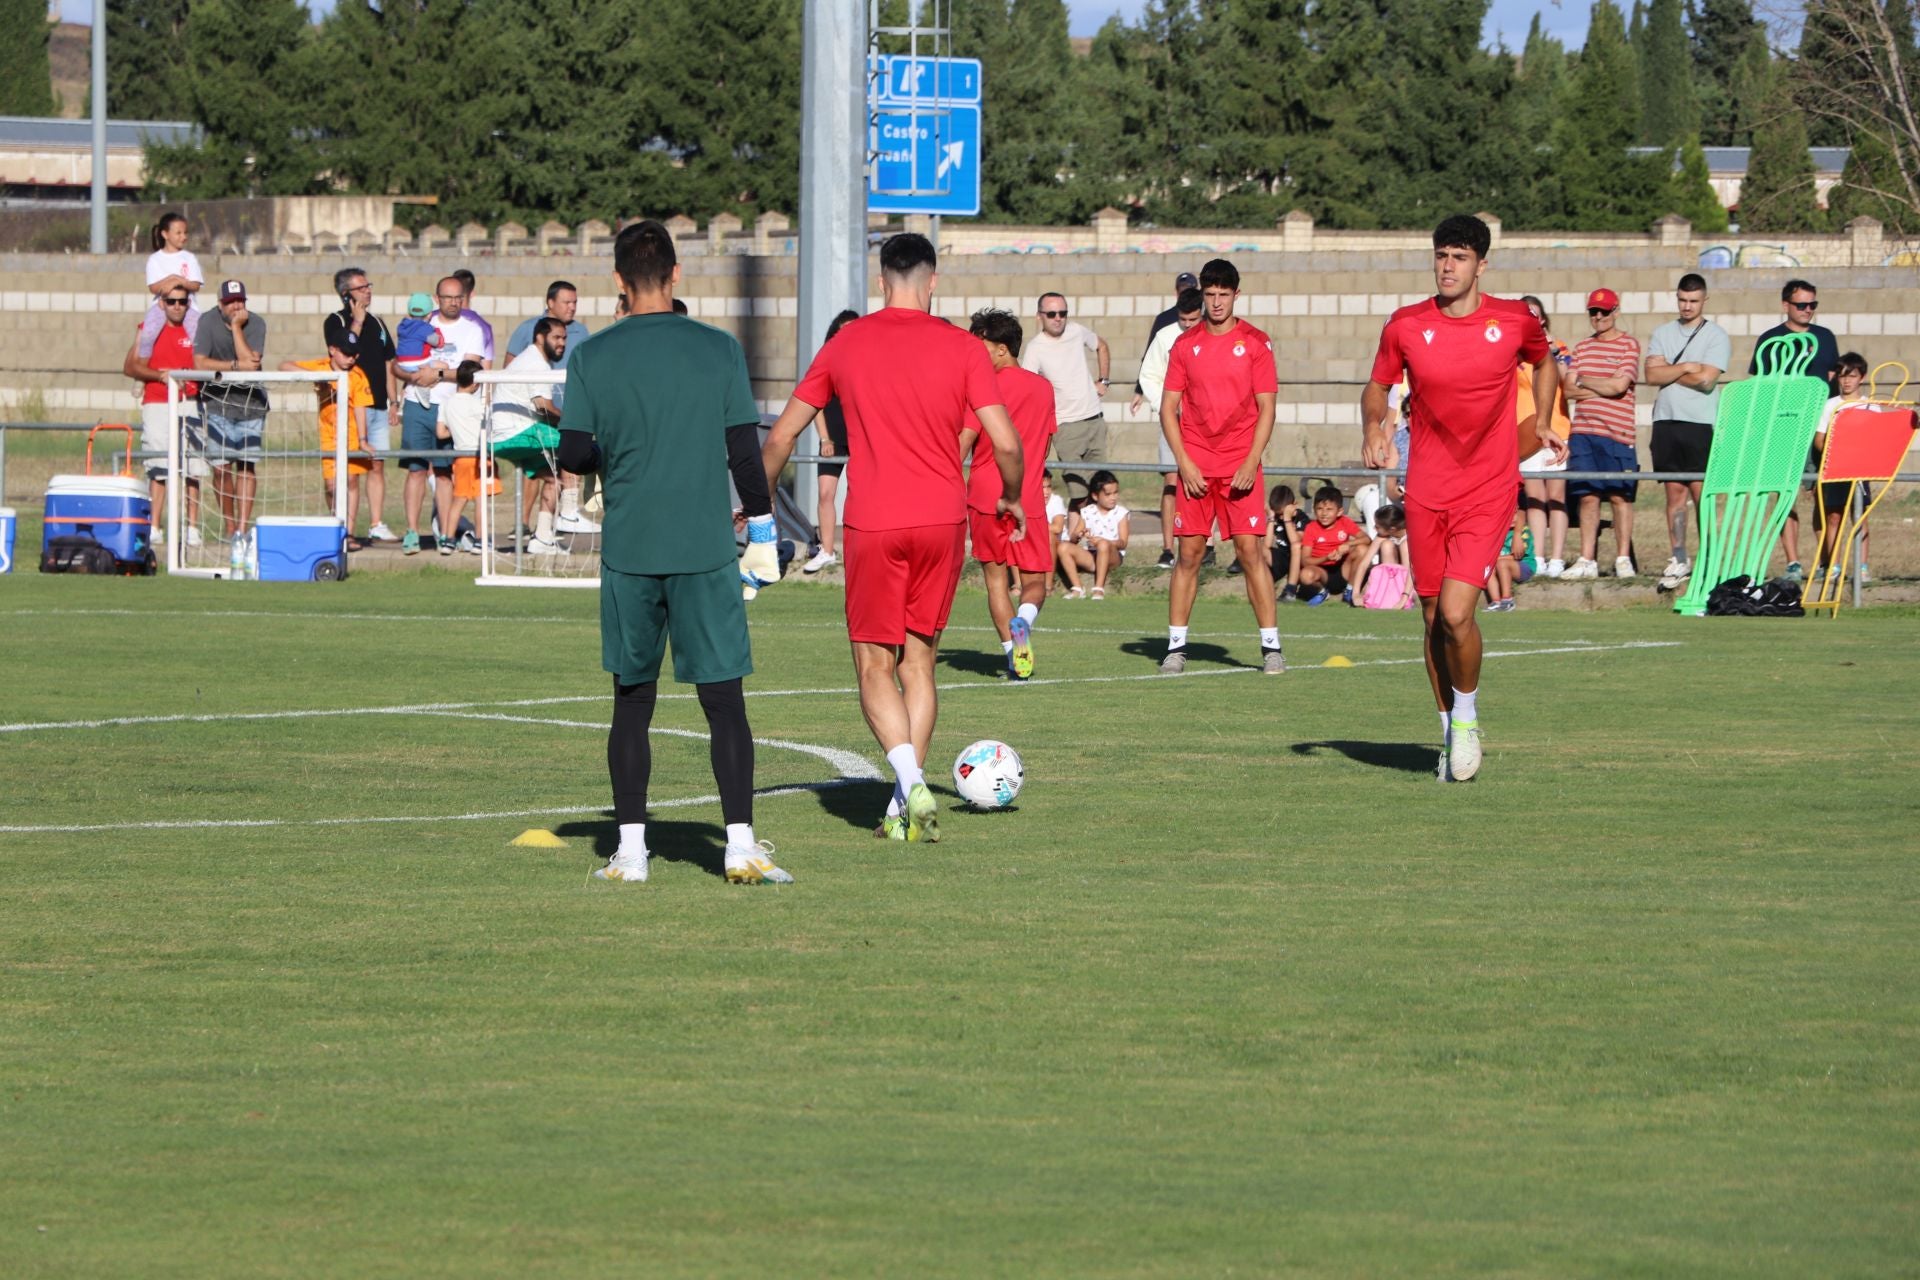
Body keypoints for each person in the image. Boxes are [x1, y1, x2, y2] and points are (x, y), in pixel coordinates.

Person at [761, 232, 1024, 844]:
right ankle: (900, 808)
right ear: (933, 284)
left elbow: (778, 441)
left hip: (874, 521)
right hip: (941, 520)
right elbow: (1006, 442)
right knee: (920, 663)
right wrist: (1009, 494)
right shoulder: (964, 348)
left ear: (882, 282)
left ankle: (909, 783)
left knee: (872, 663)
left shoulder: (846, 343)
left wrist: (756, 510)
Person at [552, 219, 791, 887]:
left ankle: (631, 852)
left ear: (620, 283)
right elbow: (745, 452)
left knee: (632, 702)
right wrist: (765, 534)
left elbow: (573, 453)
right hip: (705, 546)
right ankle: (739, 845)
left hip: (631, 547)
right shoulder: (717, 349)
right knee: (725, 700)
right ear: (677, 275)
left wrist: (608, 455)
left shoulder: (593, 355)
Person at [1362, 213, 1563, 783]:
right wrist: (1374, 426)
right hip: (1425, 489)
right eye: (1441, 255)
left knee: (1456, 613)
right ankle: (1447, 728)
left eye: (1459, 257)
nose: (1447, 266)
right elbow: (1377, 385)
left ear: (1482, 263)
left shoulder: (1514, 320)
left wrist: (1542, 419)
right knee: (1430, 618)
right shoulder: (1405, 324)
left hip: (1487, 487)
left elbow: (1545, 362)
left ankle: (1469, 719)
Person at [1158, 258, 1285, 676]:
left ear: (1236, 295)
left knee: (1250, 553)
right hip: (1196, 465)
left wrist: (1250, 460)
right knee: (1189, 555)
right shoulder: (1184, 345)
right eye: (1209, 294)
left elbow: (1267, 408)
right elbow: (1168, 408)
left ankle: (1271, 648)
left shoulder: (1256, 343)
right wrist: (1184, 463)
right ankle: (1176, 647)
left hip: (1240, 467)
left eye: (1223, 294)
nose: (1215, 302)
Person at [960, 309, 1057, 678]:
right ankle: (1024, 621)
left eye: (979, 345)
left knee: (996, 580)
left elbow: (964, 441)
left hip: (984, 495)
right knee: (1035, 582)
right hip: (1027, 496)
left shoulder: (980, 388)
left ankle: (1014, 656)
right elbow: (1045, 446)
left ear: (1002, 349)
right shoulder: (1043, 388)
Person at [1750, 279, 1841, 582]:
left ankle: (1827, 560)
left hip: (1820, 428)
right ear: (1785, 305)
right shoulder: (1771, 340)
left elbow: (1834, 384)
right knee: (1785, 494)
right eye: (1801, 305)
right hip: (1785, 426)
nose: (1807, 310)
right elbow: (1761, 387)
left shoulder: (1826, 337)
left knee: (1822, 495)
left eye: (1812, 305)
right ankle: (1792, 562)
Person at [1643, 272, 1730, 590]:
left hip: (1700, 424)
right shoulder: (1663, 332)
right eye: (1682, 300)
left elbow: (1707, 380)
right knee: (1674, 495)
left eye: (1693, 300)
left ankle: (1710, 558)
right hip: (1667, 422)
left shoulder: (1716, 336)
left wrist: (1668, 369)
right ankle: (1679, 557)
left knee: (1702, 492)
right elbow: (1651, 376)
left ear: (1704, 300)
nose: (1687, 306)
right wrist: (1684, 367)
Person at [398, 277, 490, 555]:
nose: (452, 302)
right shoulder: (420, 322)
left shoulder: (473, 330)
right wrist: (415, 375)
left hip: (451, 408)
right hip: (417, 403)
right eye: (447, 297)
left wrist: (436, 374)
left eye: (457, 297)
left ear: (464, 298)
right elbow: (398, 364)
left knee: (445, 473)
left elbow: (470, 370)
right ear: (436, 299)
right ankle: (412, 532)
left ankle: (445, 534)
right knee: (415, 471)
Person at [506, 280, 599, 535]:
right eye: (566, 302)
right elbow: (509, 367)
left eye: (575, 302)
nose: (572, 307)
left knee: (562, 463)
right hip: (537, 412)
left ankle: (548, 528)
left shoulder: (581, 332)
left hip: (566, 408)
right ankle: (522, 524)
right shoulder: (529, 329)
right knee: (535, 471)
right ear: (550, 303)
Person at [1562, 287, 1641, 580]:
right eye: (1593, 312)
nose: (1598, 317)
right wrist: (1601, 384)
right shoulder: (1582, 347)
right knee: (1588, 496)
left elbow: (1620, 386)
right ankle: (1587, 559)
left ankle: (1622, 559)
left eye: (1604, 312)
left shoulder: (1628, 345)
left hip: (1616, 433)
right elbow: (1569, 390)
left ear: (1615, 312)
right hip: (1583, 432)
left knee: (1620, 496)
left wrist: (1586, 381)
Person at [191, 279, 269, 572]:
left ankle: (244, 528)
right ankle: (230, 526)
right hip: (216, 404)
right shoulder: (207, 322)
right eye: (231, 302)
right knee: (221, 468)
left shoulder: (257, 324)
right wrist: (234, 367)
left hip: (251, 404)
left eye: (241, 301)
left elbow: (253, 363)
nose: (237, 307)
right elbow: (199, 362)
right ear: (220, 303)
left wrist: (237, 329)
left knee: (246, 466)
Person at [122, 286, 205, 549]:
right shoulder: (149, 329)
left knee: (193, 466)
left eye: (183, 301)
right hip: (158, 400)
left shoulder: (197, 330)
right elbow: (131, 366)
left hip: (190, 401)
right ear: (162, 304)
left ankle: (192, 528)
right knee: (159, 464)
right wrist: (160, 375)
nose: (178, 306)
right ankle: (155, 526)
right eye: (172, 301)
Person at [1131, 287, 1205, 569]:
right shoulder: (1165, 337)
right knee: (1172, 481)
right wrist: (1167, 405)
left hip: (1203, 424)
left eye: (1193, 320)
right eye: (1183, 320)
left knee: (1202, 482)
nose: (1187, 325)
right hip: (1172, 420)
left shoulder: (1211, 335)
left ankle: (1203, 546)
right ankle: (1167, 548)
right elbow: (1148, 375)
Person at [324, 267, 399, 542]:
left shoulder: (378, 323)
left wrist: (394, 401)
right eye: (361, 287)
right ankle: (344, 528)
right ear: (346, 295)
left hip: (378, 405)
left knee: (377, 464)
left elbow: (388, 361)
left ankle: (376, 523)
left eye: (369, 285)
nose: (368, 291)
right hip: (353, 409)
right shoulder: (335, 321)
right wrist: (356, 321)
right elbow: (345, 349)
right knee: (351, 472)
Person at [280, 343, 374, 549]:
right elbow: (284, 366)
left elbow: (360, 408)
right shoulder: (320, 366)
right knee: (332, 486)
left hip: (351, 435)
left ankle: (348, 532)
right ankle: (336, 525)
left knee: (351, 481)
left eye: (354, 354)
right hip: (329, 437)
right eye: (346, 354)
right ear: (333, 350)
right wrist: (316, 378)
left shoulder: (358, 375)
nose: (351, 358)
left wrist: (363, 439)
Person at [493, 317, 569, 554]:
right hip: (514, 433)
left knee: (555, 479)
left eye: (564, 338)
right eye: (556, 337)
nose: (562, 343)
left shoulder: (532, 359)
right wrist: (572, 422)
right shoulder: (536, 363)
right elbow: (543, 407)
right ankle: (571, 511)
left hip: (515, 432)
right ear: (540, 337)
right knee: (576, 441)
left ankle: (542, 538)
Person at [1021, 291, 1111, 477]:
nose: (1058, 319)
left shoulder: (1076, 331)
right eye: (1052, 314)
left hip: (1095, 419)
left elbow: (1101, 346)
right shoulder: (1035, 348)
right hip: (1065, 426)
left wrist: (1103, 380)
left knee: (1099, 488)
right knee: (1079, 491)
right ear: (1039, 316)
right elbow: (1027, 388)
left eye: (1063, 313)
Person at [1516, 295, 1573, 577]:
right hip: (1525, 431)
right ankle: (1538, 555)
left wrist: (1550, 351)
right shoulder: (1514, 350)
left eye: (1535, 314)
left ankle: (1557, 557)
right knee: (1534, 495)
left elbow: (1566, 378)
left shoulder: (1557, 346)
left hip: (1555, 427)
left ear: (1543, 318)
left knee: (1556, 494)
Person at [802, 308, 861, 575]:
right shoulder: (826, 361)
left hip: (861, 438)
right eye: (843, 329)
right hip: (833, 439)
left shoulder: (868, 361)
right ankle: (826, 550)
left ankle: (857, 550)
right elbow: (816, 405)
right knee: (826, 494)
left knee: (859, 496)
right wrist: (825, 438)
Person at [1813, 353, 1873, 579]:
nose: (1847, 381)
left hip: (1860, 470)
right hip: (1836, 469)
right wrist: (1833, 451)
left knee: (1860, 517)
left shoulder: (1870, 406)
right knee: (1833, 517)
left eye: (1852, 376)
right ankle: (1834, 566)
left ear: (1862, 377)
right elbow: (1819, 440)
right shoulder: (1830, 406)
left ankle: (1862, 567)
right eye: (1842, 376)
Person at [434, 359, 490, 555]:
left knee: (459, 500)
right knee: (481, 499)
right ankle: (480, 541)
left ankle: (448, 540)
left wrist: (457, 430)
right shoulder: (478, 404)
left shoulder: (447, 403)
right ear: (475, 383)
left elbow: (441, 433)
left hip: (460, 457)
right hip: (479, 455)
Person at [1056, 469, 1130, 600]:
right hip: (1091, 556)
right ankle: (1078, 588)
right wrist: (1078, 535)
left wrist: (1106, 542)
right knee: (1063, 547)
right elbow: (1073, 539)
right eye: (1108, 494)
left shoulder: (1121, 513)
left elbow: (1123, 543)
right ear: (1096, 496)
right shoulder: (1087, 512)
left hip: (1113, 556)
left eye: (1115, 493)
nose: (1113, 497)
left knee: (1102, 545)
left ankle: (1099, 589)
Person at [137, 212, 203, 358]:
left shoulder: (189, 258)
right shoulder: (155, 259)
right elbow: (154, 288)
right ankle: (142, 364)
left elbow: (195, 285)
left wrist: (179, 280)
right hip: (161, 306)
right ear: (165, 234)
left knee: (199, 338)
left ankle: (200, 368)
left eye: (185, 232)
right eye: (178, 233)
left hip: (188, 306)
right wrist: (171, 279)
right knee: (147, 335)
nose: (183, 237)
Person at [1294, 486, 1368, 606]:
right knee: (1305, 575)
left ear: (1339, 511)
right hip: (1322, 571)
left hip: (1343, 569)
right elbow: (1305, 560)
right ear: (1314, 509)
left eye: (1329, 509)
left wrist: (1347, 544)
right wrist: (1327, 558)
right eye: (1320, 509)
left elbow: (1366, 539)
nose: (1324, 514)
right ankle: (1322, 592)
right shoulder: (1311, 528)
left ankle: (1350, 590)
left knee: (1362, 549)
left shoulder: (1345, 521)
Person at [1353, 503, 1415, 610]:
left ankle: (1408, 596)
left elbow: (1412, 569)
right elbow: (1364, 564)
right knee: (1386, 545)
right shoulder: (1381, 536)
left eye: (1377, 526)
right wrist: (1355, 594)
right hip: (1391, 574)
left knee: (1405, 545)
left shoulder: (1412, 536)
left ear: (1392, 529)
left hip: (1411, 580)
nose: (1374, 528)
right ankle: (1387, 593)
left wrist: (1404, 598)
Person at [450, 268, 497, 364]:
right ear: (472, 294)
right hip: (466, 378)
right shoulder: (483, 326)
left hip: (433, 376)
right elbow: (485, 371)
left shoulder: (433, 317)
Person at [1268, 483, 1304, 600]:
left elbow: (1296, 542)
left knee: (1296, 547)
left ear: (1295, 505)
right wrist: (1271, 518)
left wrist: (1288, 520)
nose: (1282, 518)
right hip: (1283, 557)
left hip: (1300, 559)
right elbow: (1266, 544)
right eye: (1279, 514)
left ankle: (1290, 590)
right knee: (1259, 548)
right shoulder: (1277, 518)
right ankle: (1263, 584)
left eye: (1283, 514)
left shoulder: (1301, 518)